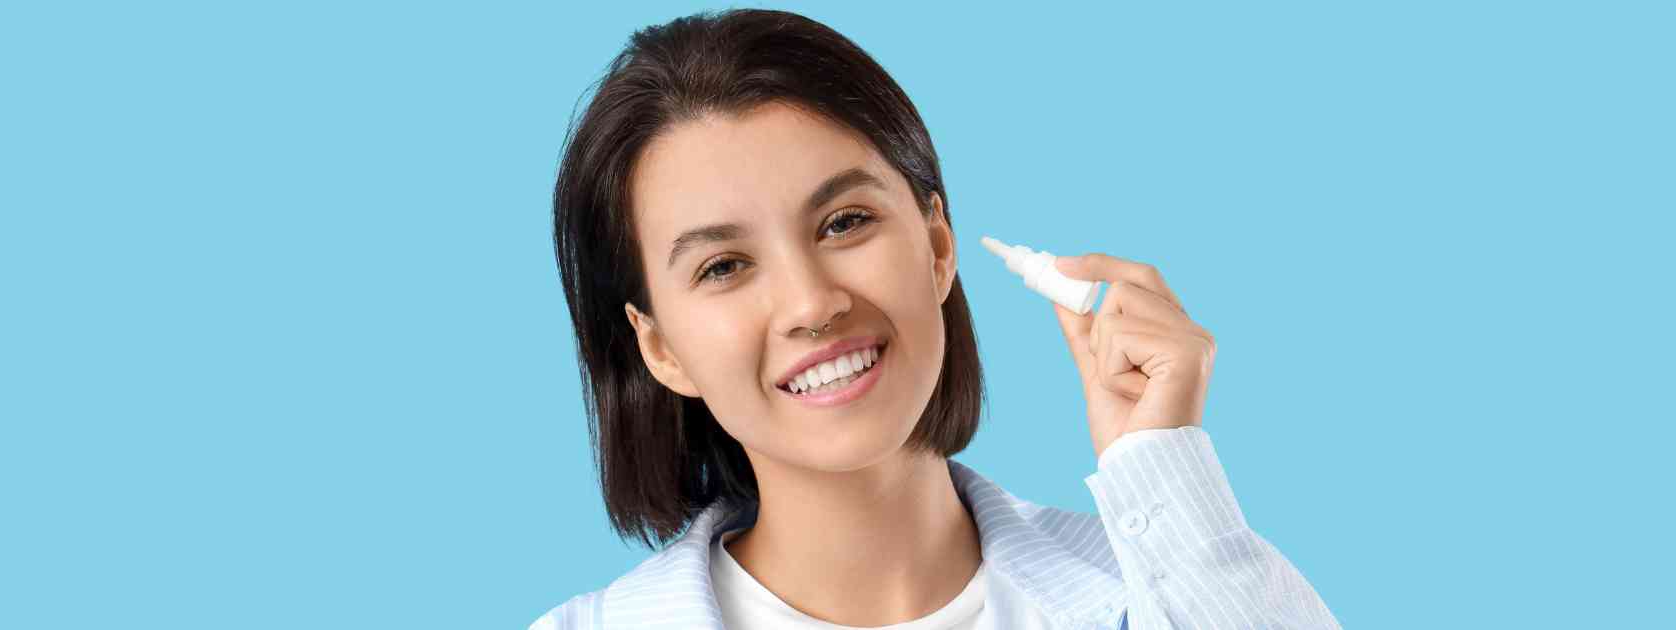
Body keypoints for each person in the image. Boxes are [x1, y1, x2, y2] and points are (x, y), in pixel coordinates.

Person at [536, 8, 1340, 629]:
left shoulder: (1162, 585)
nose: (813, 304)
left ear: (937, 243)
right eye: (724, 267)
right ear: (661, 347)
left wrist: (1162, 470)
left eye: (844, 222)